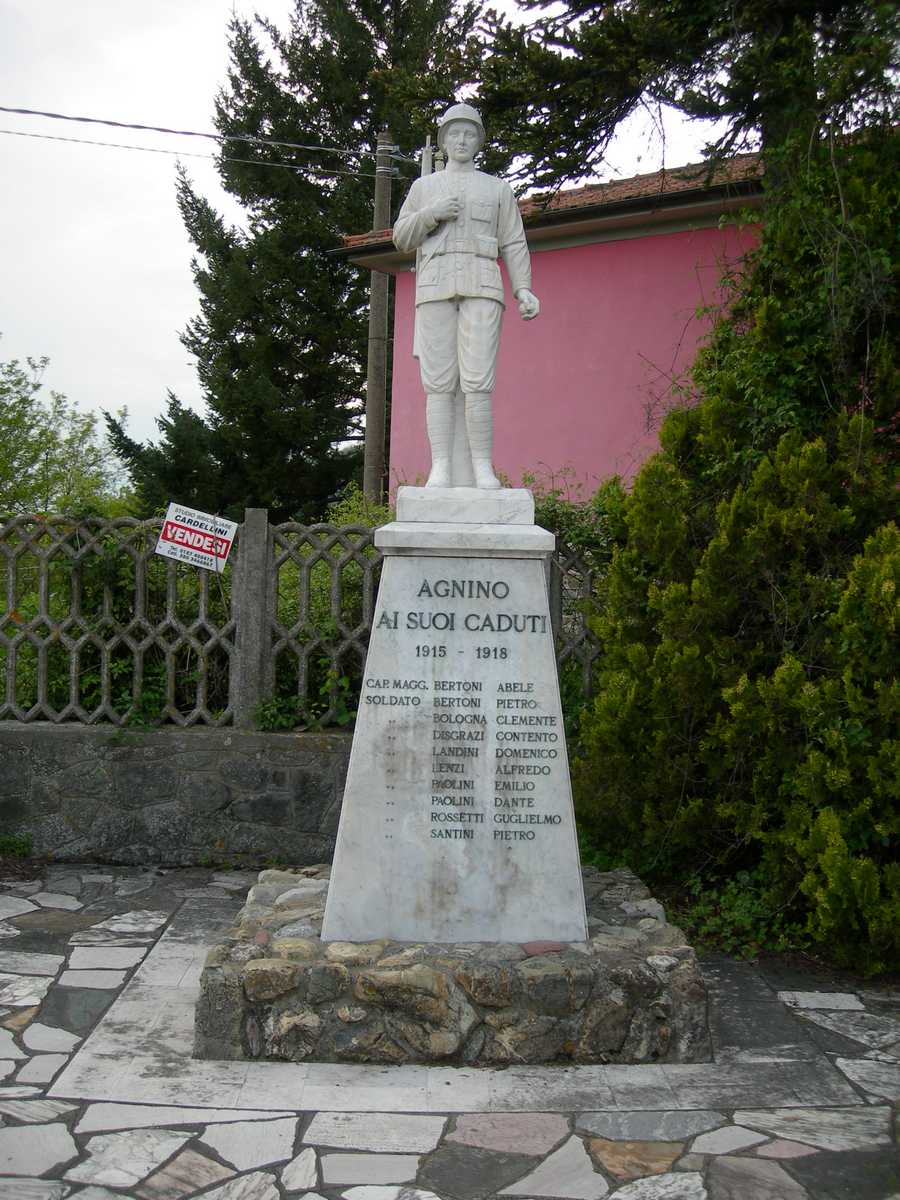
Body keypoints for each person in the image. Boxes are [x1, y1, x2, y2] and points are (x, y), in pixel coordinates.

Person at [393, 103, 540, 489]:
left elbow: (513, 241)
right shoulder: (424, 188)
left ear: (479, 141)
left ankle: (482, 468)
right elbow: (401, 237)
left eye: (469, 134)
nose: (461, 140)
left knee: (478, 381)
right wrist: (432, 214)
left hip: (482, 283)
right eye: (454, 133)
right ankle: (440, 467)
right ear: (443, 141)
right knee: (439, 382)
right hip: (435, 284)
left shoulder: (497, 188)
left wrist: (523, 287)